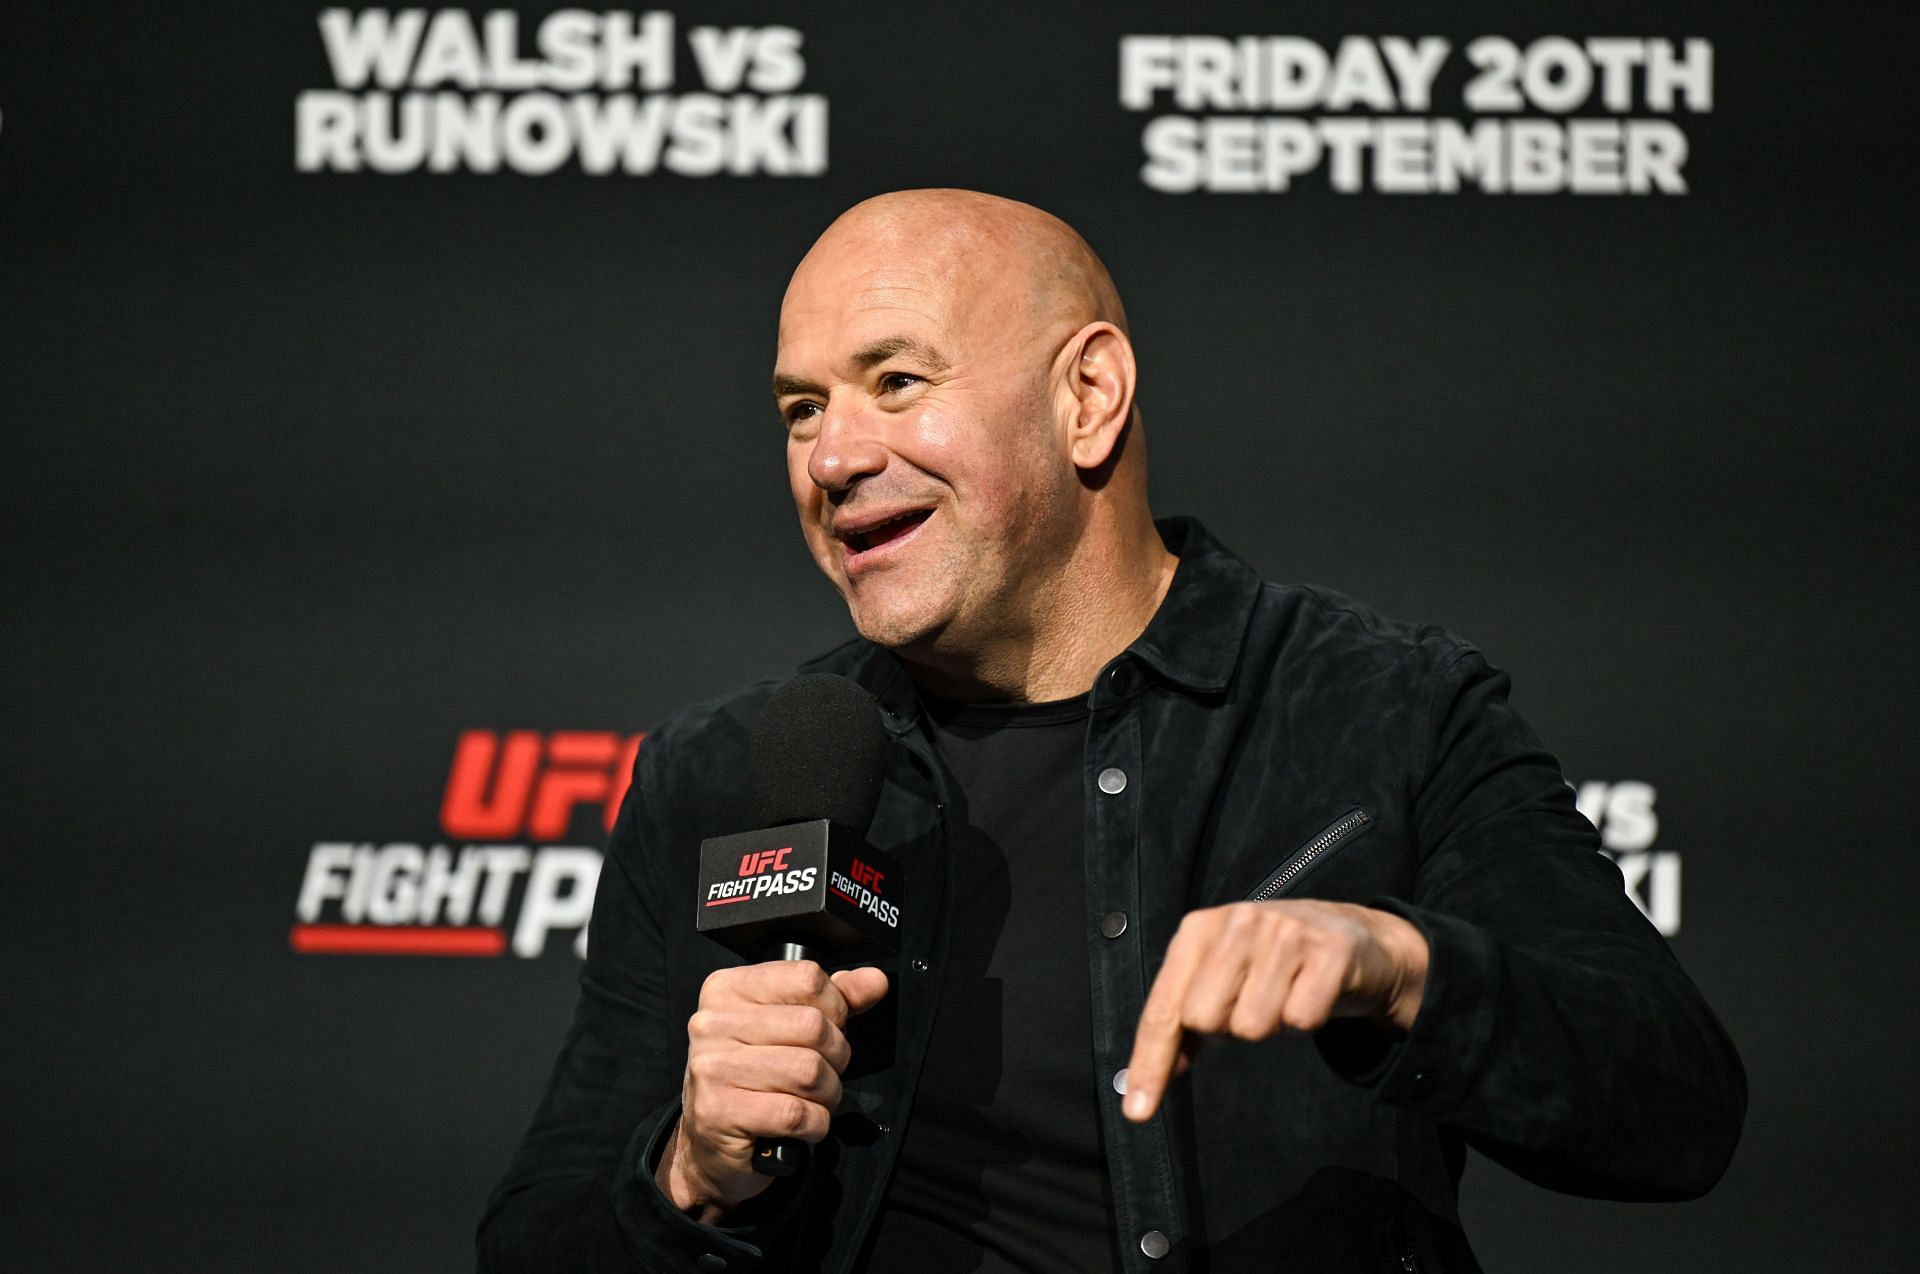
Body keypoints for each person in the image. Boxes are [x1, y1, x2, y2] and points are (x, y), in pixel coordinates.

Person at [478, 189, 1745, 1272]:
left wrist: (1400, 967)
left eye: (896, 382)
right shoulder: (721, 772)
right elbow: (537, 1236)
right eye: (801, 408)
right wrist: (693, 1175)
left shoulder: (1384, 712)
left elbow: (1675, 1104)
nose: (832, 455)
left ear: (1088, 396)